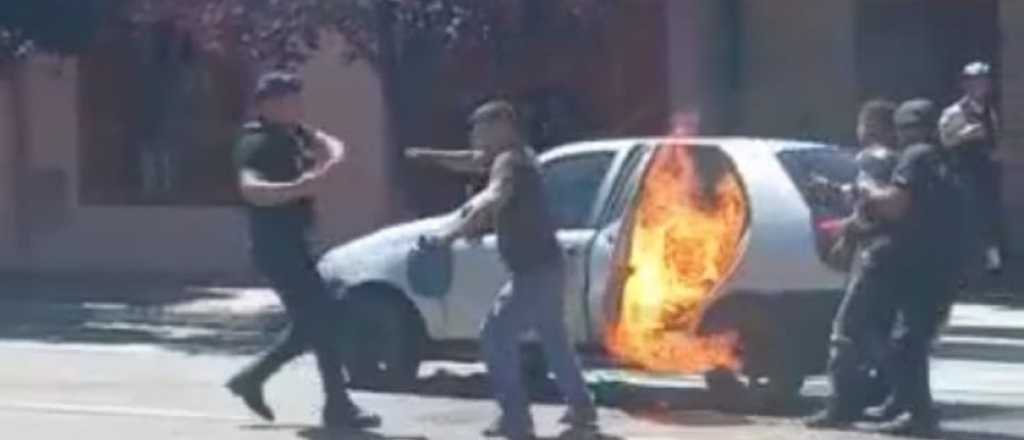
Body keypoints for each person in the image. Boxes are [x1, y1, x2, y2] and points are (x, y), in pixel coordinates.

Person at [416, 100, 597, 440]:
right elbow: (468, 161)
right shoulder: (515, 155)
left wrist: (450, 233)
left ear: (502, 126)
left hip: (534, 271)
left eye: (479, 129)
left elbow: (494, 195)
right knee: (554, 340)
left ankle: (516, 419)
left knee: (495, 336)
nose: (473, 137)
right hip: (545, 265)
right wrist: (427, 156)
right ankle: (582, 409)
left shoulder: (509, 161)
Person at [226, 71, 380, 429]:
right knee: (323, 319)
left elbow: (331, 143)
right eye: (287, 100)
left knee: (316, 321)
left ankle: (254, 379)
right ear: (266, 106)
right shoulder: (258, 143)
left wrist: (331, 161)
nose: (296, 106)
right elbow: (251, 189)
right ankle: (336, 407)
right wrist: (299, 187)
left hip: (297, 243)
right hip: (276, 249)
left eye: (297, 99)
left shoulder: (293, 133)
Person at [858, 99, 967, 437]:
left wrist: (867, 192)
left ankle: (918, 414)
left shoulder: (916, 155)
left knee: (907, 340)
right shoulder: (942, 156)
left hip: (924, 267)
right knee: (903, 336)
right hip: (939, 264)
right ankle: (901, 401)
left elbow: (895, 205)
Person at [806, 99, 902, 430]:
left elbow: (867, 200)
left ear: (871, 127)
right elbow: (864, 197)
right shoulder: (897, 162)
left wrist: (849, 226)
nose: (859, 131)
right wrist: (833, 191)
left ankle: (841, 406)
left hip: (872, 255)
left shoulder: (873, 158)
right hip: (893, 257)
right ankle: (897, 398)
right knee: (878, 334)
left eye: (863, 124)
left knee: (845, 333)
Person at [939, 61, 1005, 274]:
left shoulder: (989, 112)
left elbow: (993, 139)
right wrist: (964, 135)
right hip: (963, 173)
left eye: (984, 81)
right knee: (965, 216)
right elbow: (943, 141)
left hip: (984, 172)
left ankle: (991, 261)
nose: (981, 86)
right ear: (966, 85)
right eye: (976, 81)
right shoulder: (954, 112)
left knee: (988, 214)